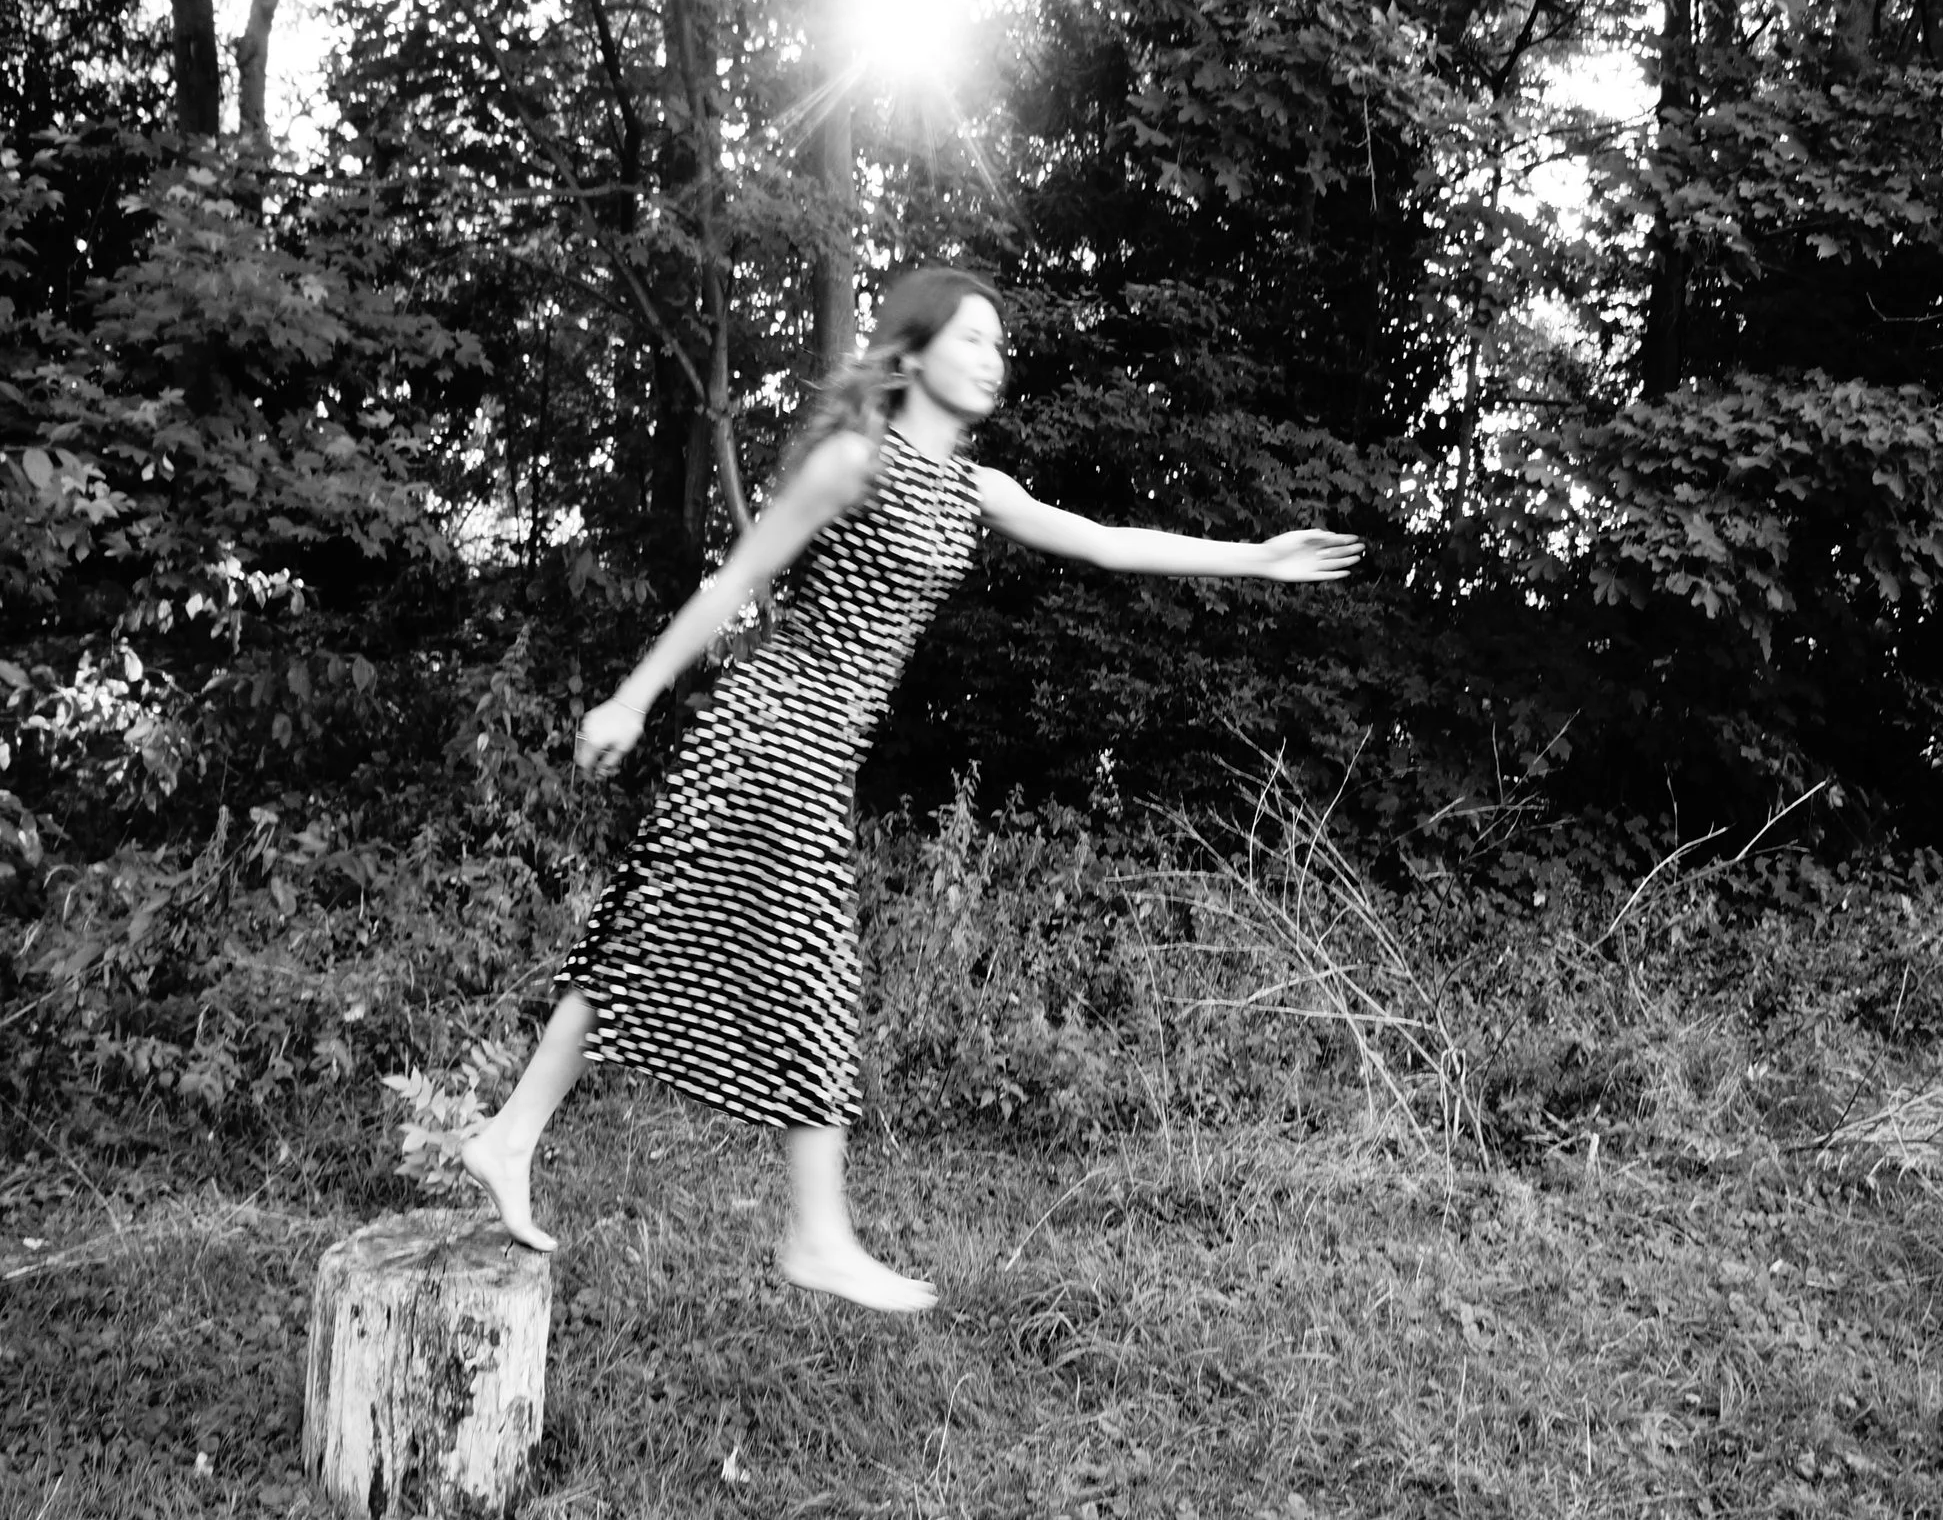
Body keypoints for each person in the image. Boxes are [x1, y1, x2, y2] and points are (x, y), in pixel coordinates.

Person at [460, 267, 1363, 1312]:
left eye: (999, 344)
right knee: (814, 963)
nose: (992, 357)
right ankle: (815, 1232)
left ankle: (508, 1132)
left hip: (814, 742)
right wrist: (631, 697)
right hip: (771, 727)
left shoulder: (974, 489)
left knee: (646, 929)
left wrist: (1254, 557)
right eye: (972, 337)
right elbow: (736, 580)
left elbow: (1110, 544)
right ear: (916, 349)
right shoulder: (854, 458)